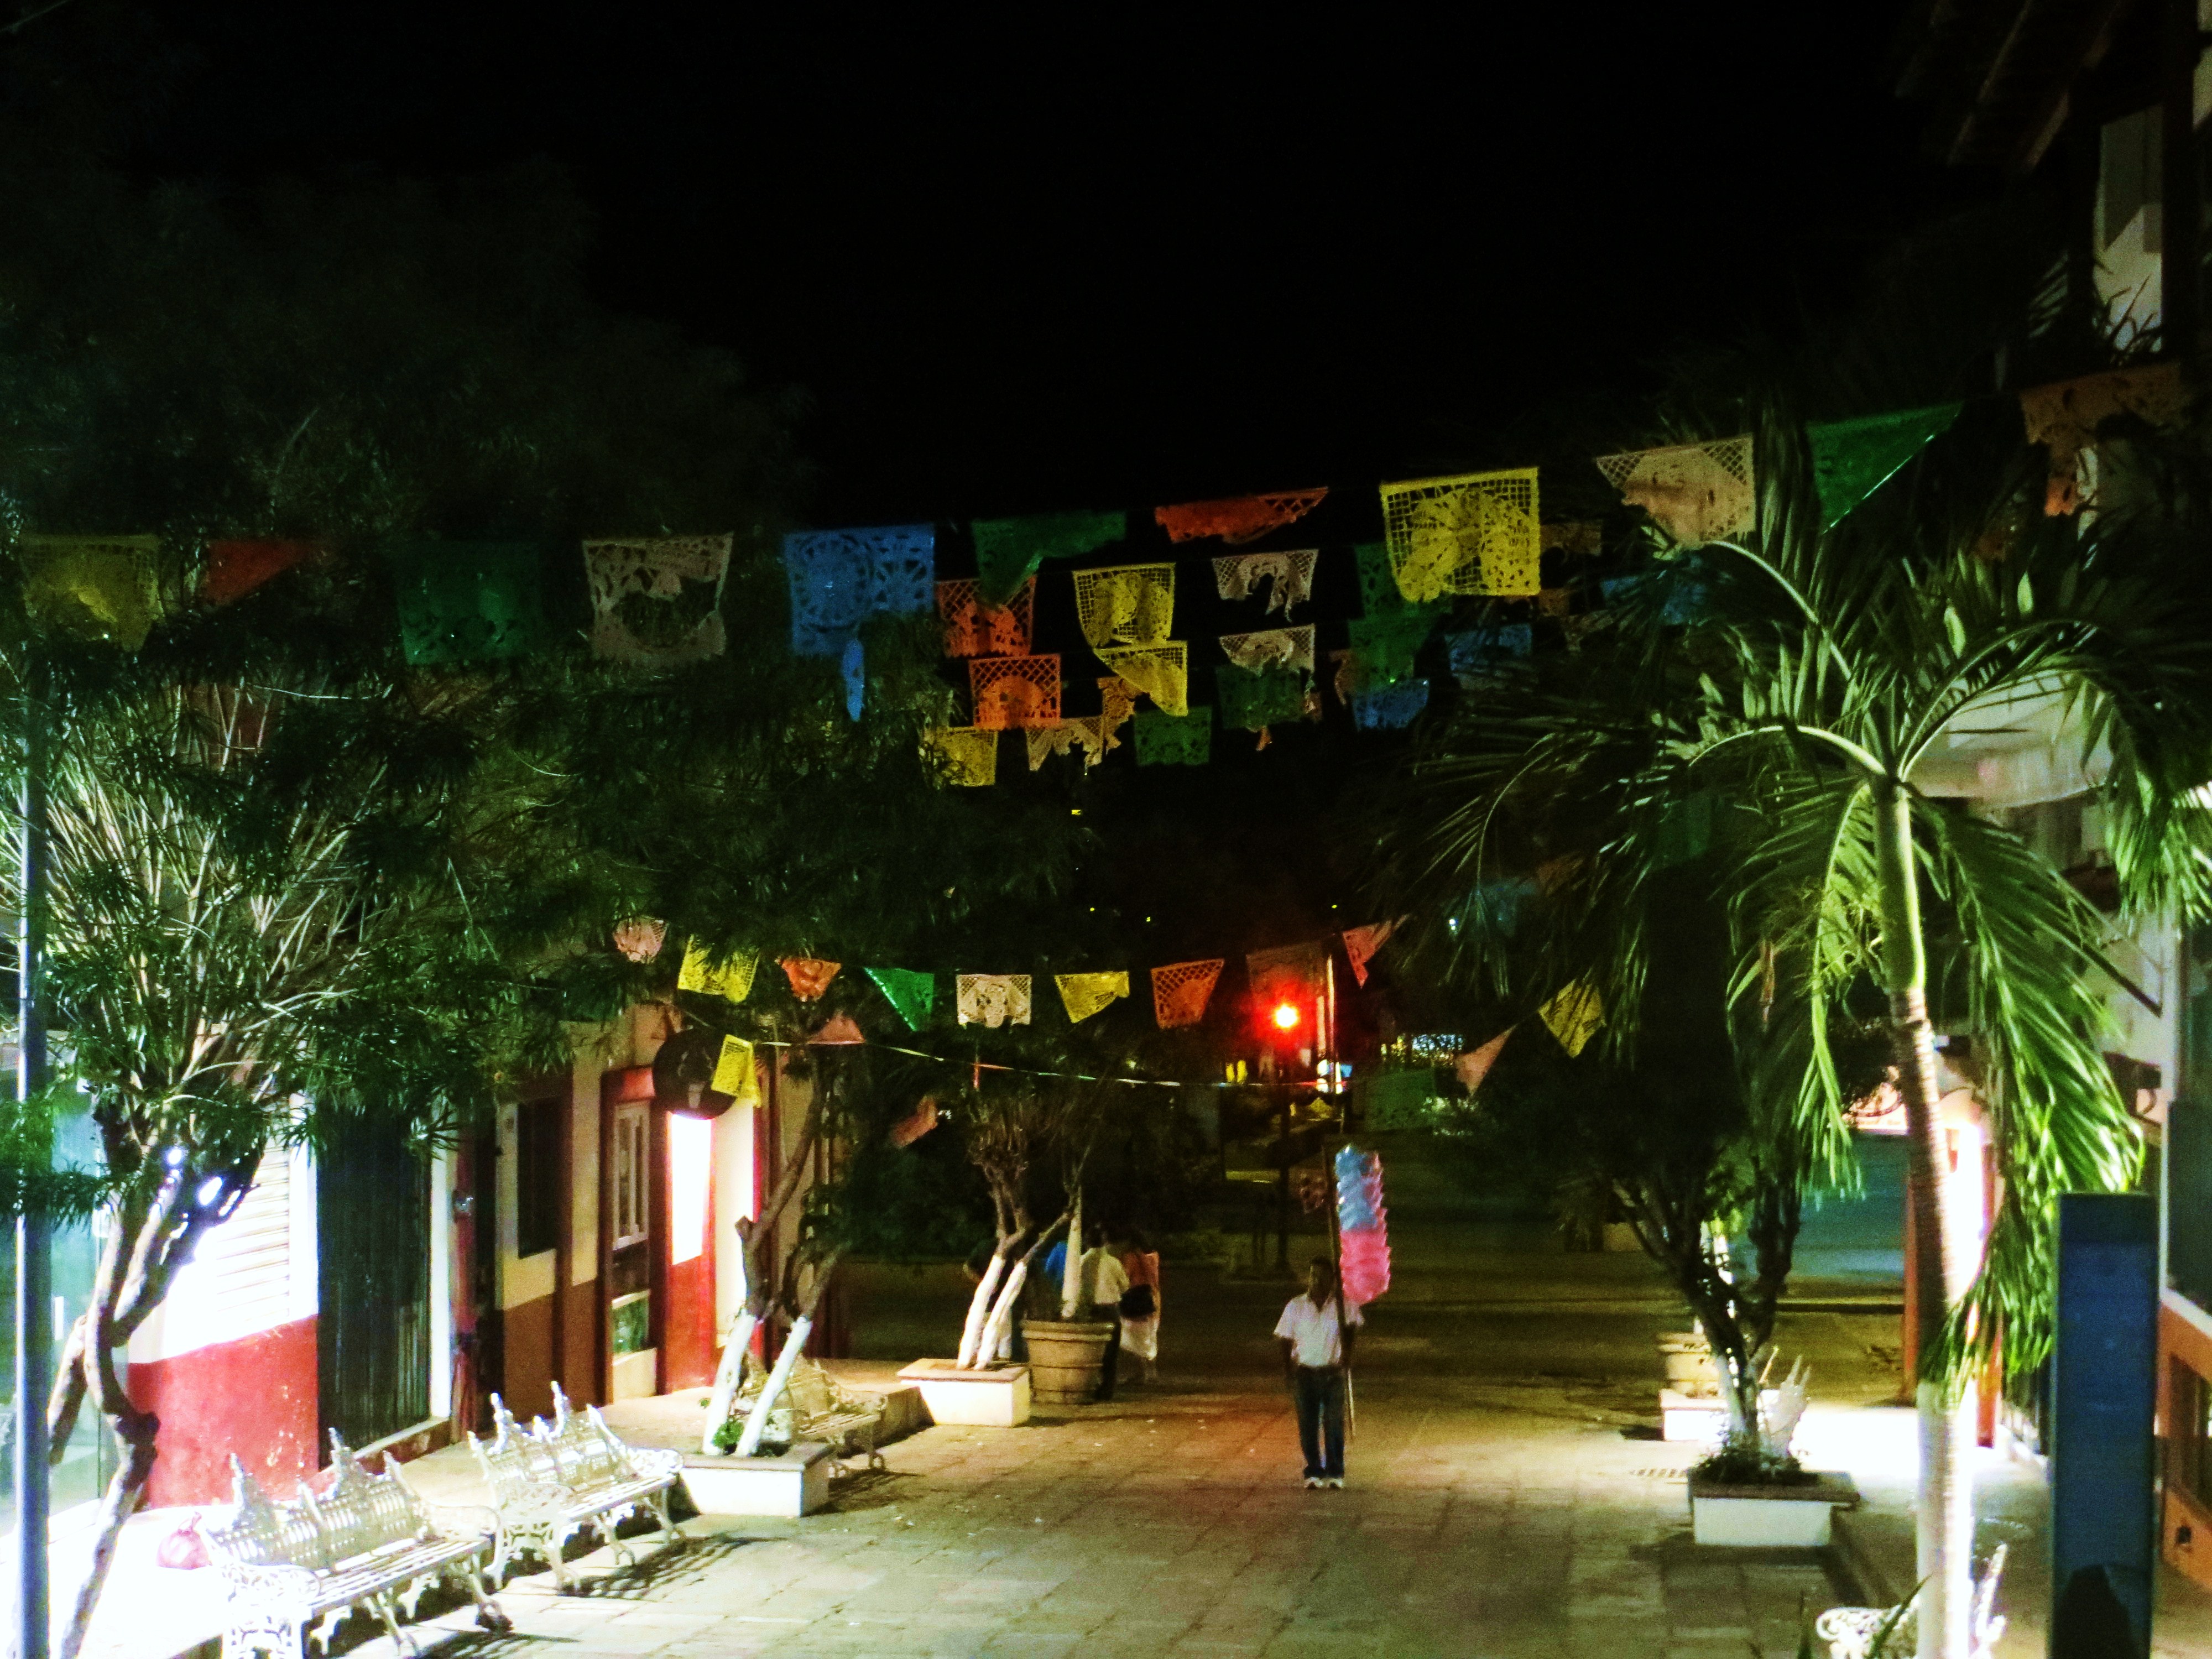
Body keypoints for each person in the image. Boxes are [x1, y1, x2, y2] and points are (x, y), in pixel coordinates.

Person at [1275, 1255, 1360, 1489]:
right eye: (1314, 1276)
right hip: (1305, 1372)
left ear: (1333, 1279)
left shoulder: (1344, 1305)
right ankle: (1313, 1470)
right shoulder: (1296, 1306)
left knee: (1334, 1424)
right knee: (1308, 1425)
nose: (1318, 1281)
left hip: (1333, 1372)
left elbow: (1352, 1326)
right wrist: (1287, 1370)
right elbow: (1285, 1338)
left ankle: (1335, 1472)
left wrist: (1347, 1353)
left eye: (1323, 1276)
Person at [1078, 1225, 1129, 1400]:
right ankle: (1107, 1389)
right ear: (1105, 1241)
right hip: (1110, 1310)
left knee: (1090, 1353)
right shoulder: (1114, 1262)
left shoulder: (1081, 1261)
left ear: (1086, 1242)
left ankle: (1089, 1386)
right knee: (1111, 1353)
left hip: (1089, 1311)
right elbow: (1125, 1286)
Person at [1119, 1227, 1162, 1384]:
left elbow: (1126, 1278)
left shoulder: (1130, 1257)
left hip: (1135, 1298)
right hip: (1153, 1297)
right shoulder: (1153, 1256)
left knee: (1133, 1337)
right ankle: (1151, 1372)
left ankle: (1143, 1373)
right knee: (1150, 1335)